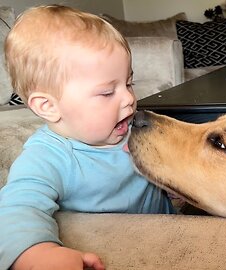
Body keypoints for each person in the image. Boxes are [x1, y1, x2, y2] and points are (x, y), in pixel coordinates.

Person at [0, 5, 175, 270]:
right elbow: (16, 210)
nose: (129, 99)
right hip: (125, 249)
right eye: (107, 93)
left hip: (170, 234)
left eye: (129, 83)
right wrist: (38, 254)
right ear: (48, 106)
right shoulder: (47, 157)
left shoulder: (129, 129)